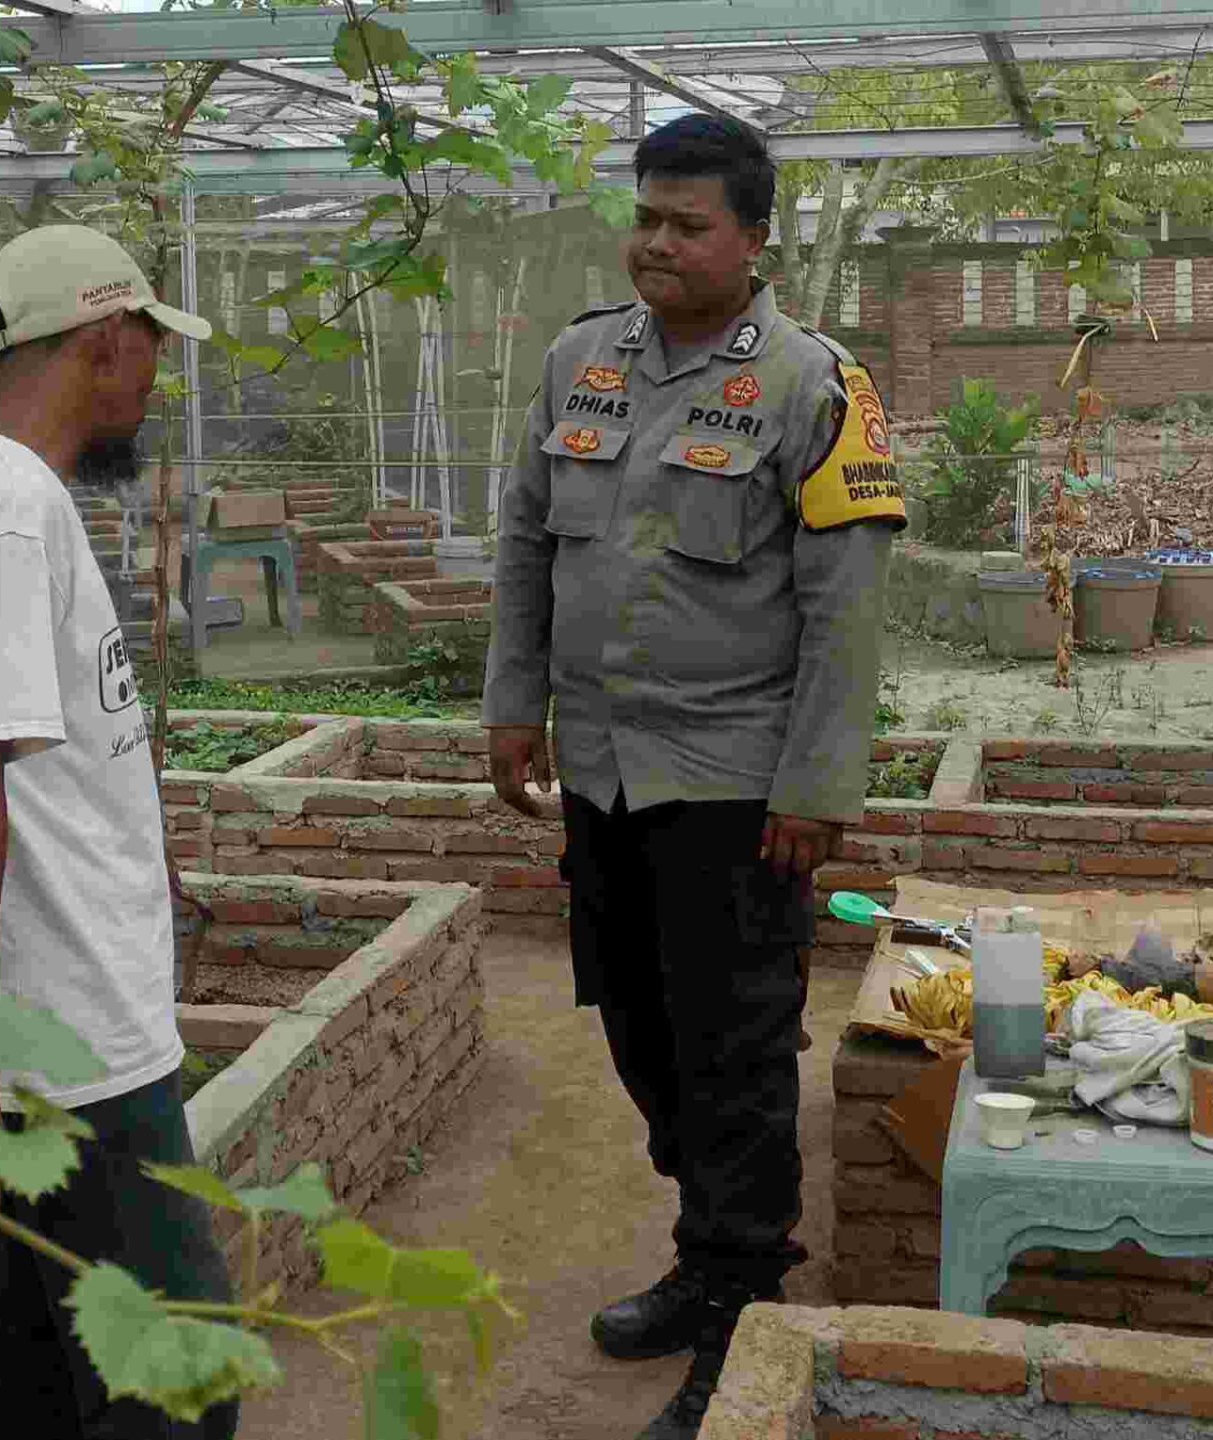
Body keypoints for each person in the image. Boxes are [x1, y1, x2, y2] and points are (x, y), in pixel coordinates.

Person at [481, 113, 905, 1440]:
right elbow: (524, 545)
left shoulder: (811, 386)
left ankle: (741, 1302)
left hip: (735, 790)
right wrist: (513, 704)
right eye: (647, 218)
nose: (658, 243)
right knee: (634, 1025)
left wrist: (816, 785)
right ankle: (708, 1244)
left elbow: (846, 610)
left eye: (689, 224)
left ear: (754, 239)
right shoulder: (574, 364)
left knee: (732, 1055)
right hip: (603, 775)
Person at [0, 225, 237, 1440]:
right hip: (70, 1045)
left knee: (41, 1387)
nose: (153, 381)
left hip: (45, 1035)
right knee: (184, 1396)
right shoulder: (11, 516)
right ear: (104, 341)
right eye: (148, 351)